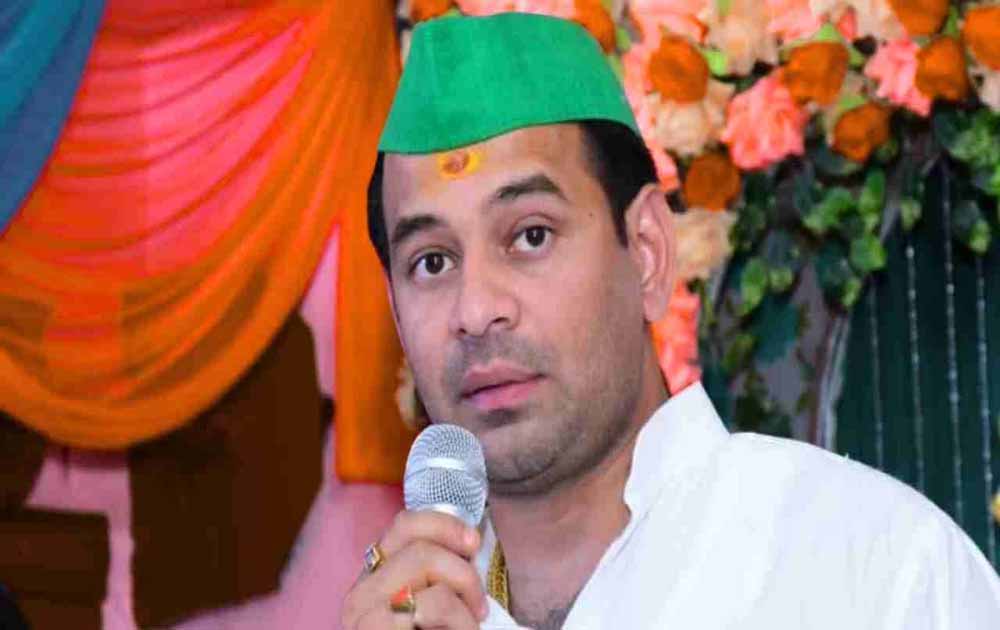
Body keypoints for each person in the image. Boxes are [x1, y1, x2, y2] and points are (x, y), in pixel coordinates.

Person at [342, 12, 1000, 630]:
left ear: (648, 252)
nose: (476, 309)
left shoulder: (871, 569)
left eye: (531, 235)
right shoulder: (408, 609)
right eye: (431, 262)